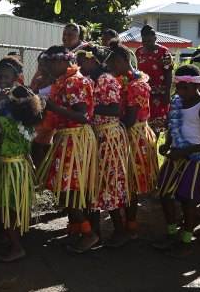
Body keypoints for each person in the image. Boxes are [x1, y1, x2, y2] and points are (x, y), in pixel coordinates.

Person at [36, 45, 99, 254]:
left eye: (49, 65)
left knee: (67, 189)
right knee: (65, 189)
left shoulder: (76, 81)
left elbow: (83, 116)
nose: (47, 70)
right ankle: (75, 231)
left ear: (61, 62)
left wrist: (53, 107)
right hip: (66, 137)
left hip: (76, 139)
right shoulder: (64, 81)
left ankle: (89, 234)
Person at [76, 44, 131, 247]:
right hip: (98, 137)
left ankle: (121, 232)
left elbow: (116, 109)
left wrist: (89, 109)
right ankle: (95, 232)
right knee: (97, 185)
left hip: (108, 137)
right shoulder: (92, 79)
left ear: (93, 60)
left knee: (108, 184)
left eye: (82, 62)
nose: (79, 66)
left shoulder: (106, 79)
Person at [0, 69, 42, 262]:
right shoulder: (29, 125)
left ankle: (17, 248)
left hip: (10, 170)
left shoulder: (9, 123)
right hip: (22, 169)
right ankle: (13, 241)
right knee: (15, 207)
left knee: (4, 208)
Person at [106, 40, 158, 239]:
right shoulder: (126, 81)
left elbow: (129, 119)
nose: (110, 70)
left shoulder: (137, 85)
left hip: (133, 138)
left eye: (111, 65)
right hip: (127, 135)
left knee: (130, 183)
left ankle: (130, 228)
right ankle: (129, 227)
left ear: (120, 61)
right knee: (127, 183)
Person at [155, 65, 200, 258]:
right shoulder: (177, 103)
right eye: (179, 87)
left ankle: (186, 241)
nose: (181, 92)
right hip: (175, 156)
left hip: (194, 160)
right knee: (164, 194)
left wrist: (184, 151)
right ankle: (172, 233)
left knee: (188, 201)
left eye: (186, 88)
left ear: (198, 86)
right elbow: (174, 127)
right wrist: (167, 144)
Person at [136, 24, 173, 134]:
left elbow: (169, 73)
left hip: (159, 95)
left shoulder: (164, 52)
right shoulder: (138, 52)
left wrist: (167, 94)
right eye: (144, 41)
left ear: (155, 39)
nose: (147, 43)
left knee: (156, 126)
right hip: (143, 95)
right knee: (143, 124)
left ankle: (152, 148)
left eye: (149, 40)